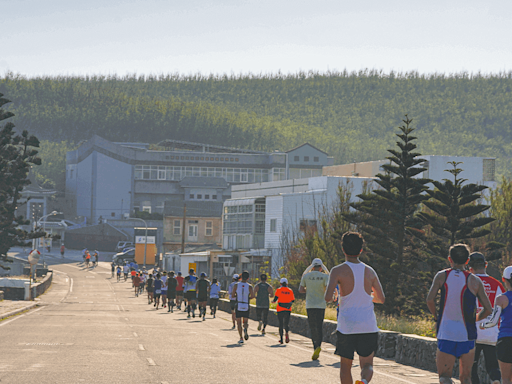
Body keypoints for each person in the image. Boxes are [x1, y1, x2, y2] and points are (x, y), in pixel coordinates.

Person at [325, 231, 385, 384]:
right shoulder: (370, 271)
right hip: (368, 325)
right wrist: (369, 297)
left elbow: (327, 297)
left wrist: (335, 297)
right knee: (367, 365)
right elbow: (381, 298)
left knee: (345, 366)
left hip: (347, 326)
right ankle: (364, 382)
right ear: (361, 250)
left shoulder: (337, 271)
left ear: (343, 249)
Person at [427, 244, 492, 384]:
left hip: (446, 331)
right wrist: (476, 318)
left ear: (450, 259)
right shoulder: (475, 281)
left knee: (444, 376)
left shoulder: (442, 276)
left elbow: (429, 299)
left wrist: (435, 316)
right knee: (466, 378)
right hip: (467, 334)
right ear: (467, 261)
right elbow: (488, 309)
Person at [468, 252, 505, 384]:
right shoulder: (498, 285)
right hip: (492, 333)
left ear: (469, 267)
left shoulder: (468, 282)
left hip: (472, 332)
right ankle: (495, 380)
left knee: (471, 368)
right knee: (493, 366)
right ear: (486, 265)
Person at [480, 266, 512, 384]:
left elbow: (493, 321)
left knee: (506, 379)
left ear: (504, 279)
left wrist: (483, 324)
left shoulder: (501, 299)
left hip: (506, 340)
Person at [300, 257, 329, 360]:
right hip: (321, 305)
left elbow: (301, 289)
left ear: (312, 267)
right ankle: (319, 346)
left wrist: (309, 290)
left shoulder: (306, 276)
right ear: (321, 267)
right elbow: (328, 289)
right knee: (319, 326)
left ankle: (315, 347)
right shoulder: (325, 276)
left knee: (312, 327)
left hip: (310, 305)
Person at [232, 271, 254, 344]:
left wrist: (236, 296)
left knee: (238, 322)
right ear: (248, 278)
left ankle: (241, 337)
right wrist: (248, 298)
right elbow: (252, 296)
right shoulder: (250, 286)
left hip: (239, 304)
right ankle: (245, 329)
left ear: (241, 277)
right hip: (246, 304)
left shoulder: (236, 285)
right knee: (245, 321)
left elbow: (232, 295)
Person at [273, 277, 295, 345]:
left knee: (281, 323)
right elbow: (293, 300)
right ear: (287, 283)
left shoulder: (279, 290)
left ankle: (281, 339)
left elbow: (275, 299)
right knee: (286, 323)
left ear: (280, 283)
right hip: (288, 309)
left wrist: (273, 301)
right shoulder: (290, 290)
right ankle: (287, 333)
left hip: (280, 309)